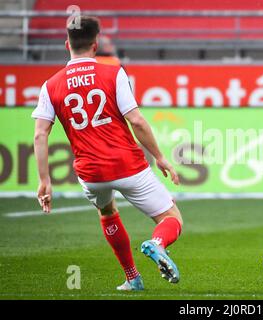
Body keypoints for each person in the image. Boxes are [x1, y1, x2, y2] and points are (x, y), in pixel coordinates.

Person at [32, 16, 183, 290]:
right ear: (96, 43)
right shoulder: (113, 73)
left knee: (107, 211)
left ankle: (132, 278)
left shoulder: (50, 85)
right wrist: (159, 156)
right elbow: (136, 120)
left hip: (91, 173)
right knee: (171, 218)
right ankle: (157, 243)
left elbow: (40, 133)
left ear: (67, 44)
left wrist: (45, 180)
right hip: (128, 165)